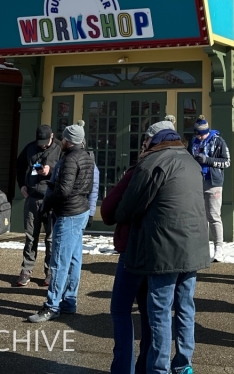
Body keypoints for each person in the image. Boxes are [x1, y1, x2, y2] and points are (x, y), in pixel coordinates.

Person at [116, 118, 210, 374]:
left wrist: (118, 215)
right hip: (194, 246)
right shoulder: (189, 160)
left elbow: (129, 206)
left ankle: (158, 369)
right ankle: (183, 365)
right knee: (185, 308)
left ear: (154, 140)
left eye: (146, 140)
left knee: (159, 311)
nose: (144, 144)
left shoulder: (152, 163)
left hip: (163, 249)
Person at [28, 124, 98, 323]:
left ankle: (52, 305)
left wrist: (47, 204)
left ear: (69, 141)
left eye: (64, 139)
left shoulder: (70, 159)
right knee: (74, 259)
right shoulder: (87, 158)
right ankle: (69, 301)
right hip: (80, 211)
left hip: (68, 213)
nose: (62, 141)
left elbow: (64, 190)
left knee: (59, 262)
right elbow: (88, 186)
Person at [101, 140, 152, 374]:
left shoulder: (138, 171)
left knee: (121, 309)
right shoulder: (179, 169)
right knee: (151, 312)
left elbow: (108, 208)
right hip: (159, 250)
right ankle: (146, 366)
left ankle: (123, 368)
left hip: (133, 247)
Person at [14, 124, 62, 287]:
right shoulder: (30, 148)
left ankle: (50, 271)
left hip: (52, 198)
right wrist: (22, 185)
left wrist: (52, 169)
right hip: (32, 197)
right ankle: (26, 269)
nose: (42, 145)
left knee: (50, 238)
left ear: (52, 136)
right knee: (30, 236)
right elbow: (20, 166)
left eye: (45, 141)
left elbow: (68, 170)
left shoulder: (60, 148)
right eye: (39, 141)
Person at [188, 116, 231, 262]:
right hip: (196, 182)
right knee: (198, 217)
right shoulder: (193, 142)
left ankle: (219, 248)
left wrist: (208, 160)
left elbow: (226, 162)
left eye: (202, 134)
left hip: (213, 183)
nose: (200, 136)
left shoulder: (218, 141)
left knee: (213, 216)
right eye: (197, 134)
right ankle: (200, 248)